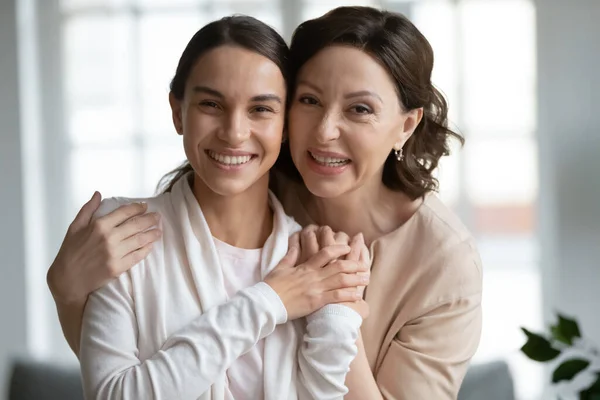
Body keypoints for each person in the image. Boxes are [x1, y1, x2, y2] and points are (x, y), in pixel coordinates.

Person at [48, 6, 483, 399]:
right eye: (309, 100)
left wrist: (334, 301)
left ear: (406, 125)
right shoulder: (249, 178)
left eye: (360, 110)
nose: (325, 130)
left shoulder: (445, 262)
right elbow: (125, 364)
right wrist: (68, 291)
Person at [68, 15, 372, 400]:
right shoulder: (123, 233)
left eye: (260, 109)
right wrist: (271, 300)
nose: (234, 132)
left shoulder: (311, 261)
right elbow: (113, 395)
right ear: (178, 112)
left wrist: (337, 317)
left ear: (286, 125)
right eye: (212, 104)